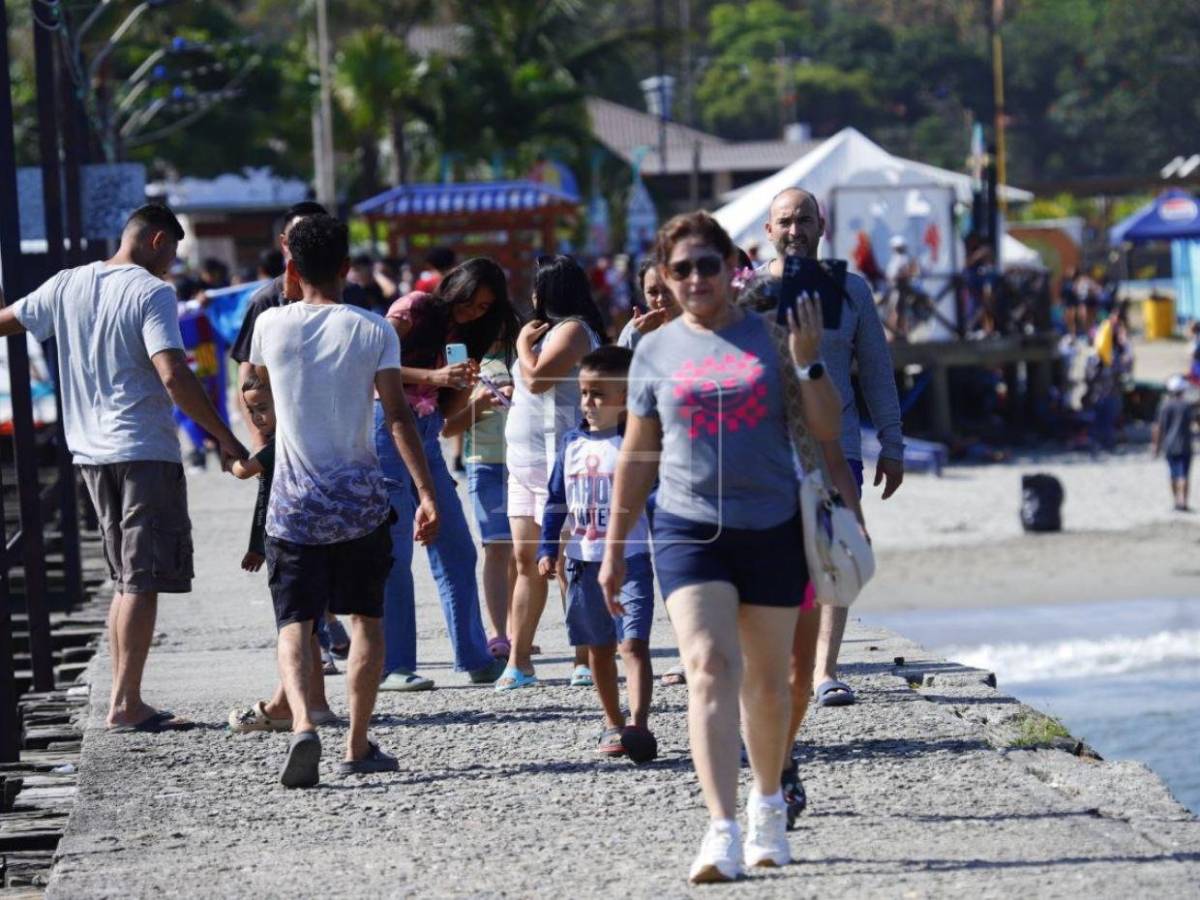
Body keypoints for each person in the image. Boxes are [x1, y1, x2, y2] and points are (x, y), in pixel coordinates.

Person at [602, 211, 843, 881]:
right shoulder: (653, 349)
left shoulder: (773, 336)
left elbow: (826, 426)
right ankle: (721, 828)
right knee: (708, 665)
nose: (695, 279)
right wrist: (617, 542)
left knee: (767, 686)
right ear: (663, 277)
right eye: (680, 269)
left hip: (771, 525)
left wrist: (810, 361)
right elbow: (637, 452)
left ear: (729, 266)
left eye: (707, 264)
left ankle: (767, 804)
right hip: (686, 526)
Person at [0, 203, 247, 730]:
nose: (173, 265)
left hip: (89, 453)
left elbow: (7, 322)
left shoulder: (66, 283)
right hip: (142, 451)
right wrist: (225, 439)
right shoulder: (151, 292)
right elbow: (174, 375)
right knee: (141, 580)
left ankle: (120, 698)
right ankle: (125, 704)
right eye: (174, 252)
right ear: (158, 239)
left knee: (124, 578)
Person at [246, 213, 438, 787]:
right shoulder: (374, 328)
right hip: (359, 501)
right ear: (347, 268)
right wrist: (427, 492)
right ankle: (356, 745)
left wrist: (259, 429)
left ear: (291, 267)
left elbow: (255, 390)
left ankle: (304, 721)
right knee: (366, 621)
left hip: (293, 504)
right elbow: (398, 415)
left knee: (293, 623)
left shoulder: (271, 326)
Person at [762, 187, 903, 709]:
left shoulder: (853, 291)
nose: (794, 230)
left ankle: (825, 671)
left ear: (821, 227)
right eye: (784, 221)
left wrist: (893, 443)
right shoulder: (749, 291)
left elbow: (878, 374)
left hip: (836, 446)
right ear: (768, 231)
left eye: (804, 220)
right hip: (767, 449)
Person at [376, 258, 520, 690]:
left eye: (485, 308)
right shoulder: (414, 307)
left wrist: (460, 389)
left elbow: (447, 416)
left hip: (426, 434)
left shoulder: (465, 339)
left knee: (457, 546)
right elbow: (366, 364)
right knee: (396, 553)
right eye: (473, 301)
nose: (475, 312)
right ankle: (393, 665)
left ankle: (474, 656)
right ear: (456, 285)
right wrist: (432, 374)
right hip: (384, 427)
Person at [538, 346, 657, 762]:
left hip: (633, 558)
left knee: (634, 645)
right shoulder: (570, 444)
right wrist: (547, 548)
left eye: (598, 394)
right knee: (598, 646)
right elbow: (555, 501)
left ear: (626, 397)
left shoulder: (636, 443)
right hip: (582, 560)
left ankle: (639, 724)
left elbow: (657, 498)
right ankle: (612, 721)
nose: (588, 403)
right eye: (585, 393)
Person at [499, 255, 606, 691]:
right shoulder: (549, 332)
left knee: (567, 564)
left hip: (562, 465)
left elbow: (540, 378)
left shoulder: (575, 330)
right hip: (525, 463)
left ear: (549, 291)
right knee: (527, 561)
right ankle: (519, 661)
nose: (531, 298)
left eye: (536, 288)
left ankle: (584, 657)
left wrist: (523, 346)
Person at [225, 373, 340, 733]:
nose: (257, 417)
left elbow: (246, 472)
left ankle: (285, 706)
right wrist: (255, 546)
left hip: (290, 541)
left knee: (293, 626)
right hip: (307, 540)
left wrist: (229, 460)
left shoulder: (283, 443)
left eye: (263, 408)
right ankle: (316, 705)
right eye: (251, 411)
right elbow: (265, 498)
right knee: (306, 627)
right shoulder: (309, 435)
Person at [229, 200, 329, 450]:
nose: (309, 244)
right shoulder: (266, 301)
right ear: (284, 243)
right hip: (284, 436)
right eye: (299, 237)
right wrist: (258, 437)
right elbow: (248, 370)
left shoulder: (351, 296)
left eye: (317, 236)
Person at [441, 339, 516, 660]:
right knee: (497, 548)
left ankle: (519, 628)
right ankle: (499, 632)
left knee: (524, 554)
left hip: (526, 461)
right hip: (483, 462)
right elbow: (447, 428)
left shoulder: (524, 354)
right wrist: (481, 404)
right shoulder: (463, 360)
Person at [1153, 375, 1195, 511]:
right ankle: (1184, 503)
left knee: (1173, 474)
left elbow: (1158, 427)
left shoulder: (1164, 406)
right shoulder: (1187, 406)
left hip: (1169, 445)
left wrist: (1156, 447)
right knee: (1184, 475)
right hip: (1185, 445)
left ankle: (1176, 502)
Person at [616, 257, 675, 351]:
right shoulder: (634, 330)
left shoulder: (701, 324)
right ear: (643, 296)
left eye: (667, 289)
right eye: (653, 292)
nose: (661, 298)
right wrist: (637, 336)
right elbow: (620, 363)